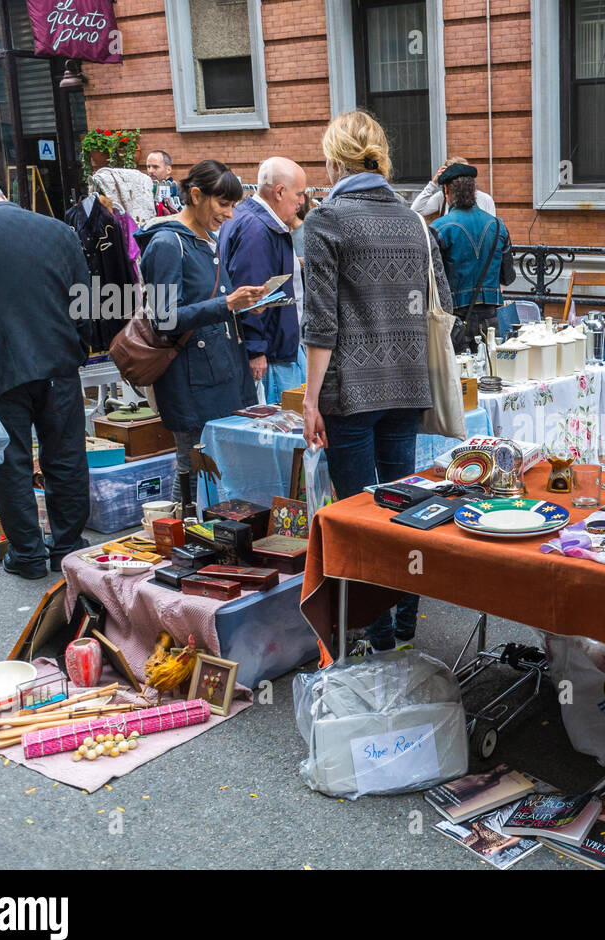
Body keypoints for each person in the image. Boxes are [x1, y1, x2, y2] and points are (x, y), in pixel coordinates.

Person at [302, 109, 453, 653]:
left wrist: (310, 400)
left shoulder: (327, 220)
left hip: (351, 390)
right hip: (408, 385)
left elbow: (320, 323)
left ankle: (382, 638)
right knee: (407, 511)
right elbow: (444, 304)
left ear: (334, 158)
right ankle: (405, 629)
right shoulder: (415, 221)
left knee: (361, 515)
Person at [0, 178, 93, 578]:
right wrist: (81, 348)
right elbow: (85, 294)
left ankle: (28, 555)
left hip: (2, 366)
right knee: (66, 456)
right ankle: (68, 546)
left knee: (10, 461)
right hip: (59, 362)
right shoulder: (59, 229)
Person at [135, 160, 268, 504]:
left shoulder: (205, 239)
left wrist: (245, 305)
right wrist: (227, 305)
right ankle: (187, 542)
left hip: (222, 374)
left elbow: (212, 306)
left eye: (233, 205)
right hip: (191, 382)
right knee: (196, 471)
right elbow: (166, 318)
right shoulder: (167, 243)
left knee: (220, 472)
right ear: (196, 195)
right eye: (224, 204)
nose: (230, 214)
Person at [217, 156, 308, 404]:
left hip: (273, 350)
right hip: (271, 357)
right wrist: (255, 350)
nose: (302, 201)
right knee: (281, 433)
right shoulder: (257, 229)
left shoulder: (252, 220)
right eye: (299, 194)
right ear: (279, 192)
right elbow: (250, 293)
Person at [430, 162, 515, 351]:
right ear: (473, 191)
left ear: (447, 191)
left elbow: (433, 282)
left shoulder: (438, 228)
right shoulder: (498, 226)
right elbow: (508, 277)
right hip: (491, 322)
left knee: (458, 377)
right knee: (490, 375)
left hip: (454, 321)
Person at [411, 156, 495, 217]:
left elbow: (493, 230)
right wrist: (433, 183)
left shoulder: (485, 199)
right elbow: (416, 210)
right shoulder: (442, 197)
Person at [145, 149, 182, 215]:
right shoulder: (144, 190)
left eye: (155, 167)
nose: (150, 171)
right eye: (148, 167)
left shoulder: (180, 192)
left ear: (168, 170)